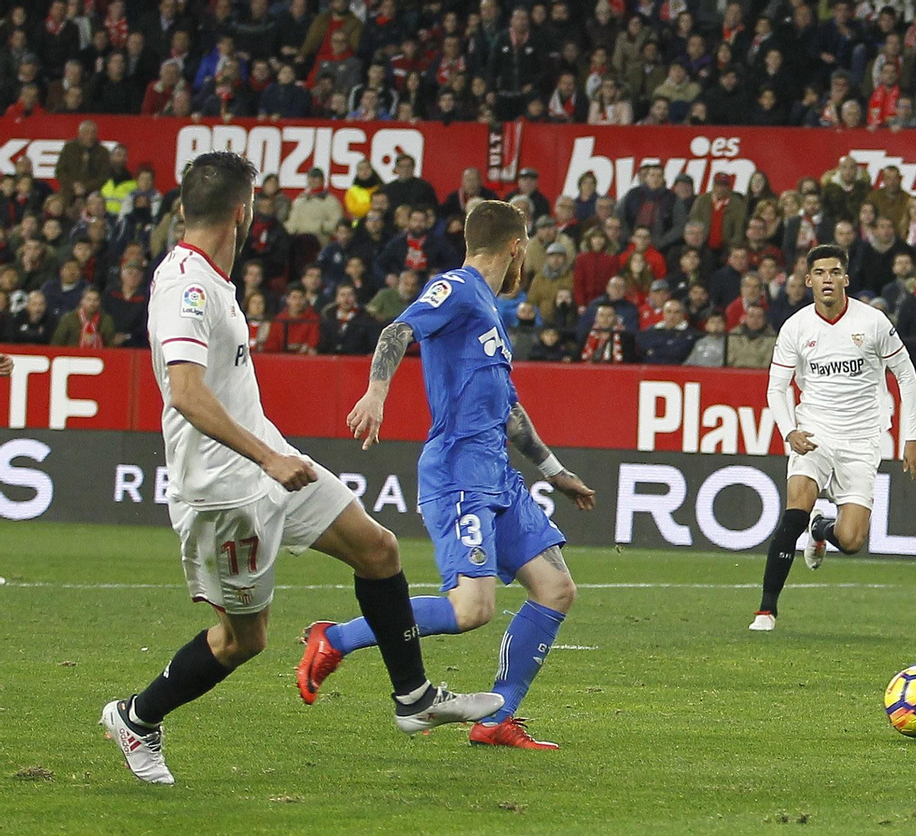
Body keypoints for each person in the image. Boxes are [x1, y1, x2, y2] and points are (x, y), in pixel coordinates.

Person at [101, 153, 500, 786]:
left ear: (182, 209)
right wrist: (267, 457)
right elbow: (184, 392)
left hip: (267, 462)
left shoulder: (209, 275)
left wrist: (271, 454)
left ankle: (414, 698)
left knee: (378, 549)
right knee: (243, 641)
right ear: (244, 212)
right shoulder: (187, 288)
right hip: (224, 489)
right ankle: (135, 717)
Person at [305, 201, 597, 751]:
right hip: (459, 470)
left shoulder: (490, 308)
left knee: (557, 588)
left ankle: (496, 718)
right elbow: (397, 331)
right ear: (516, 248)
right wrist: (376, 391)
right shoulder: (457, 288)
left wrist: (555, 471)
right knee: (472, 610)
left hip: (500, 474)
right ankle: (335, 637)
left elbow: (508, 411)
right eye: (526, 251)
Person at [751, 244, 916, 631]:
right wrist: (790, 431)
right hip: (814, 432)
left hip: (863, 439)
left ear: (846, 279)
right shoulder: (796, 327)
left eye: (834, 272)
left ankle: (821, 531)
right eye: (820, 273)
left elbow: (906, 376)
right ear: (808, 280)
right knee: (796, 506)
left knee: (850, 540)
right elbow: (776, 388)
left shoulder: (873, 322)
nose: (827, 279)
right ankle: (766, 610)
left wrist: (912, 437)